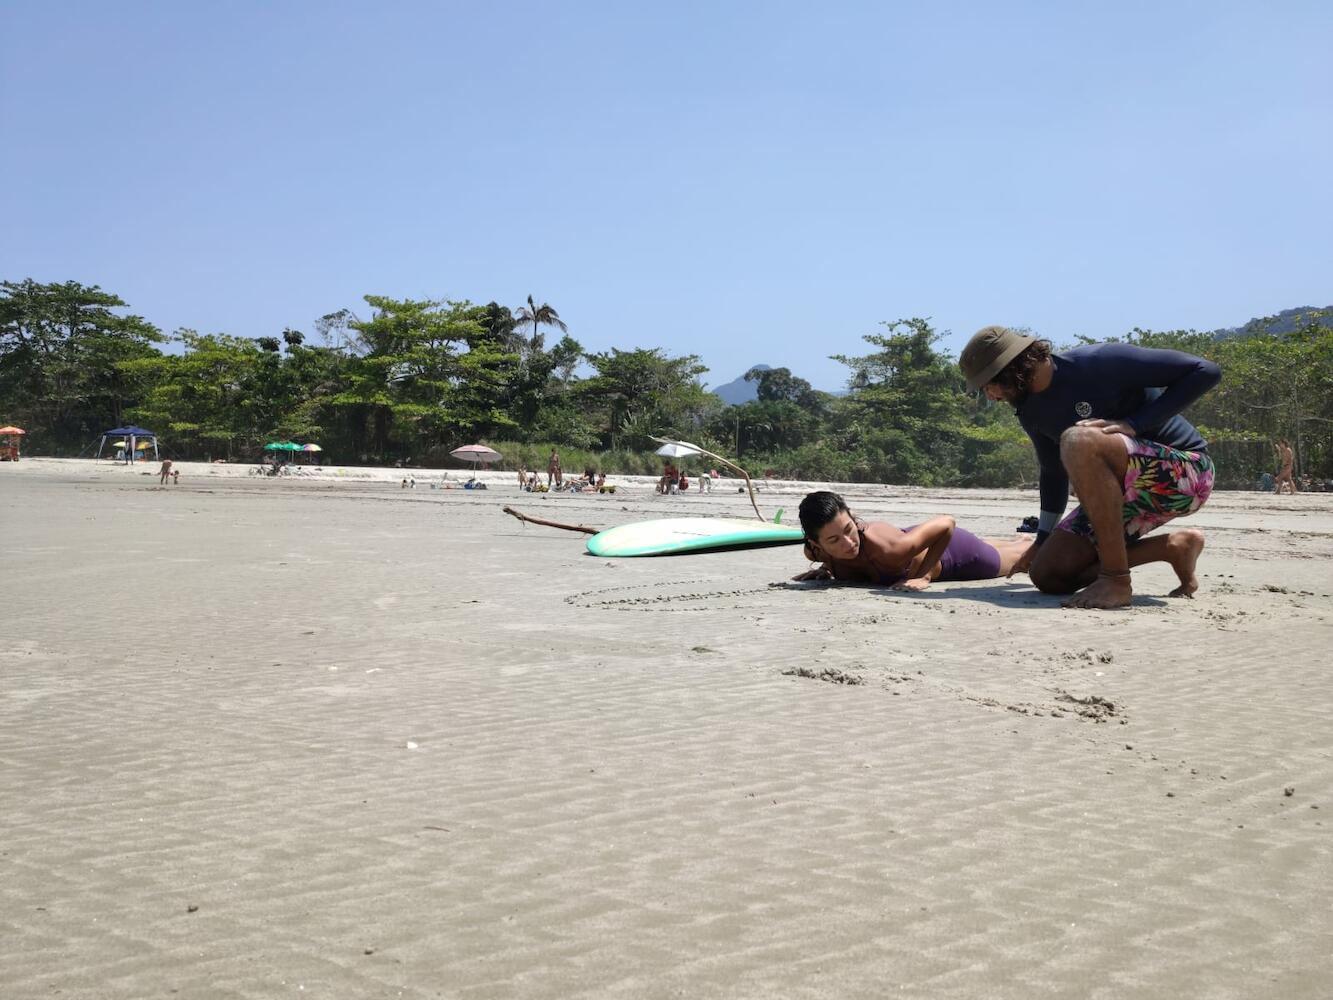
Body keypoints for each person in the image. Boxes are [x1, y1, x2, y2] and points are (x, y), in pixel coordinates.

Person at [959, 326, 1221, 609]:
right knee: (1048, 574)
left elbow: (1205, 371)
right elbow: (1052, 471)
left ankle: (1116, 579)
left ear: (1011, 370)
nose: (990, 396)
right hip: (1120, 497)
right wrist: (1041, 540)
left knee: (1078, 439)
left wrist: (1134, 424)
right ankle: (1173, 548)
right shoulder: (1030, 410)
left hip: (1186, 475)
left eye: (988, 385)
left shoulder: (1099, 362)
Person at [795, 491, 1031, 589]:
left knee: (1021, 557)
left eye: (849, 529)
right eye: (834, 540)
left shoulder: (889, 549)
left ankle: (1031, 540)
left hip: (956, 553)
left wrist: (924, 575)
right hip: (916, 536)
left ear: (852, 517)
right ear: (817, 544)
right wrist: (827, 568)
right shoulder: (815, 553)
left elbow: (947, 522)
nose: (848, 543)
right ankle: (1017, 538)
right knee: (1001, 545)